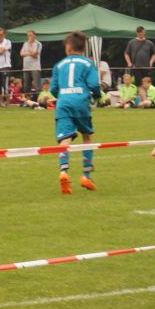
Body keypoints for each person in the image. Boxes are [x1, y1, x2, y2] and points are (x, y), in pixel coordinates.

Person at [50, 31, 100, 194]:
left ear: (69, 47)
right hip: (81, 102)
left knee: (65, 139)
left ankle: (63, 171)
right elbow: (94, 85)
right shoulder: (88, 63)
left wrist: (63, 96)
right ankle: (86, 175)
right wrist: (97, 96)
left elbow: (53, 89)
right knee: (86, 136)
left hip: (63, 103)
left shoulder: (59, 65)